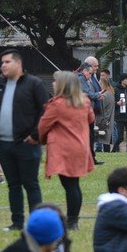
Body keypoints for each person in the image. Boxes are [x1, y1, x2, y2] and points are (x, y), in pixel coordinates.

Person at [0, 49, 49, 231]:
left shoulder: (34, 84)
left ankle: (36, 223)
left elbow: (45, 112)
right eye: (2, 62)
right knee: (13, 185)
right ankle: (17, 222)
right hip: (3, 144)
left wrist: (36, 135)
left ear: (18, 64)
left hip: (26, 144)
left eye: (7, 62)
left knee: (30, 184)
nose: (3, 66)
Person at [38, 71, 94, 231]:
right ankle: (73, 221)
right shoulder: (84, 102)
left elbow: (43, 126)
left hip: (64, 149)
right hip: (80, 148)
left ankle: (72, 222)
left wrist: (40, 139)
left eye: (55, 82)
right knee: (74, 185)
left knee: (69, 186)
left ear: (63, 85)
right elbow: (91, 119)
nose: (53, 84)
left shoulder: (58, 105)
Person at [77, 58, 104, 165]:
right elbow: (86, 93)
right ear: (85, 70)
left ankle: (91, 158)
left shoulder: (89, 78)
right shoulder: (81, 79)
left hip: (90, 111)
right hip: (84, 112)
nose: (90, 74)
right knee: (86, 136)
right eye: (94, 67)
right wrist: (97, 95)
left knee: (90, 136)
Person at [113, 73, 127, 152]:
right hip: (120, 117)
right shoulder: (116, 89)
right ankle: (113, 150)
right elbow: (112, 102)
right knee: (120, 137)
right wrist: (117, 103)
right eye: (126, 79)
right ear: (122, 80)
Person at [96, 78, 115, 152]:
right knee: (106, 140)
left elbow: (100, 108)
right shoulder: (110, 93)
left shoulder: (104, 95)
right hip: (109, 119)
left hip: (104, 119)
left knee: (104, 139)